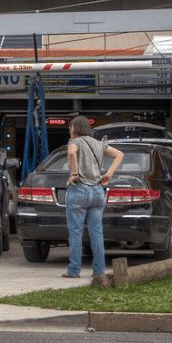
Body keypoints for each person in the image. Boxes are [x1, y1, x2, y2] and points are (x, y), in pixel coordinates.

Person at [63, 115, 124, 285]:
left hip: (79, 190)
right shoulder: (98, 144)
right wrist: (109, 175)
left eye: (70, 127)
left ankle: (74, 271)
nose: (69, 130)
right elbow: (119, 154)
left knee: (75, 233)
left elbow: (71, 154)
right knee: (96, 233)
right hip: (97, 191)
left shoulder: (74, 141)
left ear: (76, 128)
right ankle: (99, 272)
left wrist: (74, 173)